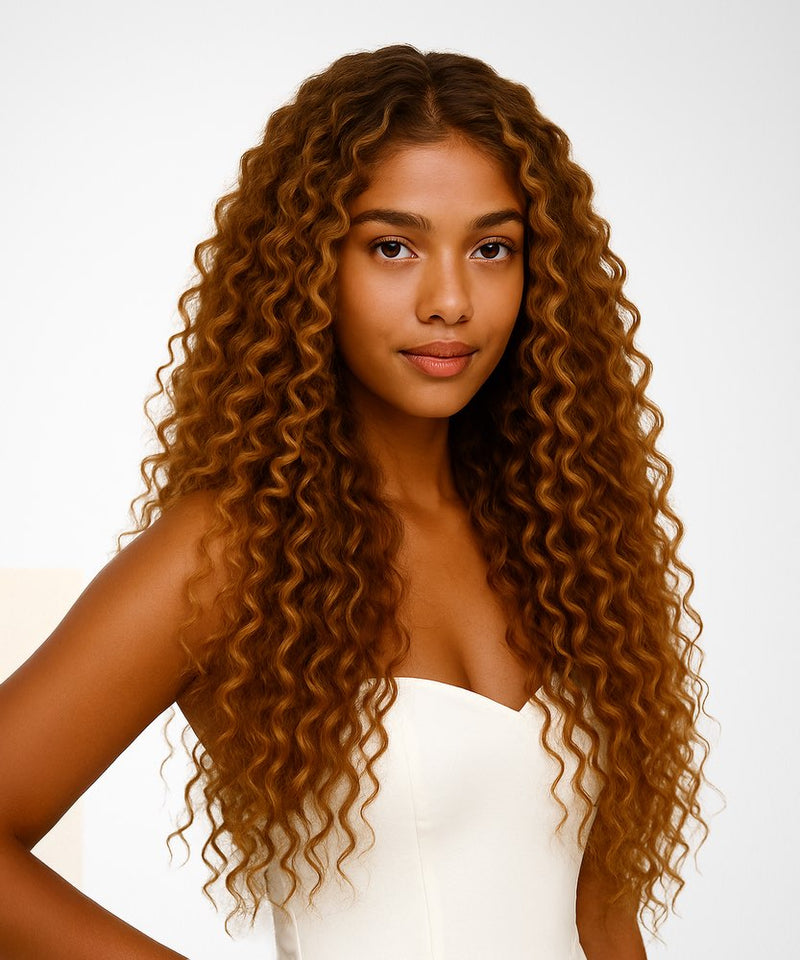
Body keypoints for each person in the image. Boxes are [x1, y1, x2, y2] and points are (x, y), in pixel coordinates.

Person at [0, 44, 709, 960]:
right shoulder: (234, 552)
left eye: (492, 248)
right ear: (307, 268)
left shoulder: (569, 547)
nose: (449, 299)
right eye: (393, 246)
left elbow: (604, 926)